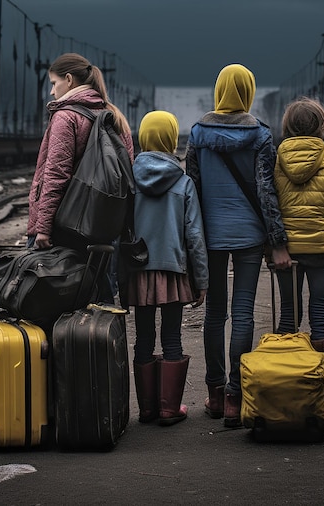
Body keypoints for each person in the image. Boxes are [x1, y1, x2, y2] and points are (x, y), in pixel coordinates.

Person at [186, 63, 291, 428]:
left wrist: (190, 242)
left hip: (210, 238)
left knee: (215, 314)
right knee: (243, 312)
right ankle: (235, 397)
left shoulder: (198, 133)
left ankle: (215, 395)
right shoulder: (261, 135)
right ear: (247, 91)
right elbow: (266, 192)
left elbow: (192, 191)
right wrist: (278, 242)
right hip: (249, 236)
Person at [126, 110, 208, 427]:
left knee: (143, 337)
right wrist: (201, 280)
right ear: (172, 138)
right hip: (173, 272)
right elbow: (195, 236)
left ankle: (146, 409)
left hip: (140, 271)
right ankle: (169, 408)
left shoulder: (130, 178)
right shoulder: (183, 182)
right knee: (172, 336)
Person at [27, 52, 134, 253]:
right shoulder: (115, 117)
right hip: (104, 225)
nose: (51, 92)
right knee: (98, 281)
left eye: (53, 83)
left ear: (68, 79)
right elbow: (128, 172)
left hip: (65, 224)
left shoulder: (66, 117)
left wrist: (43, 229)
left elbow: (56, 176)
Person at [274, 97, 324, 363]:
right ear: (321, 126)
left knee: (287, 314)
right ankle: (319, 382)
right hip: (323, 251)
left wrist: (271, 247)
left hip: (288, 251)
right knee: (320, 312)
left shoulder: (276, 164)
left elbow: (271, 208)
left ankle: (287, 380)